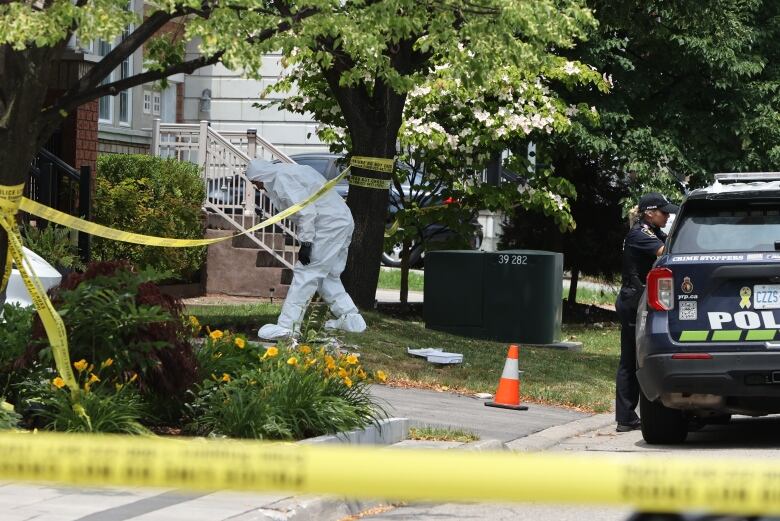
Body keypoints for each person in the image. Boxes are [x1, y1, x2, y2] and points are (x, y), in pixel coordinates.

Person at [247, 159, 367, 339]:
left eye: (255, 182)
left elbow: (306, 211)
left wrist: (307, 242)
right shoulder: (293, 171)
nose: (257, 187)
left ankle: (288, 326)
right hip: (342, 221)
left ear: (260, 175)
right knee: (327, 276)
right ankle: (351, 318)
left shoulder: (282, 179)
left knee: (306, 274)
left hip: (328, 226)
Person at [615, 192, 679, 432]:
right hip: (633, 303)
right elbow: (665, 252)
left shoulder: (651, 231)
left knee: (635, 358)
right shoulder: (640, 234)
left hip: (638, 300)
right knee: (630, 360)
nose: (668, 215)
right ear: (650, 212)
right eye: (664, 212)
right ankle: (625, 416)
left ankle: (629, 415)